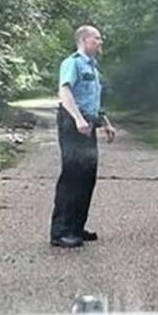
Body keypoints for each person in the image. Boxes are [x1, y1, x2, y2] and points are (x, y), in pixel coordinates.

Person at [50, 25, 117, 248]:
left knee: (87, 176)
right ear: (83, 40)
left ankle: (76, 227)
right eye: (96, 38)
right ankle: (60, 232)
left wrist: (105, 123)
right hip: (72, 123)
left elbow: (93, 102)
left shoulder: (93, 68)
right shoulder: (73, 63)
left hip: (87, 124)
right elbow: (65, 92)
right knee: (72, 176)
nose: (100, 42)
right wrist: (78, 119)